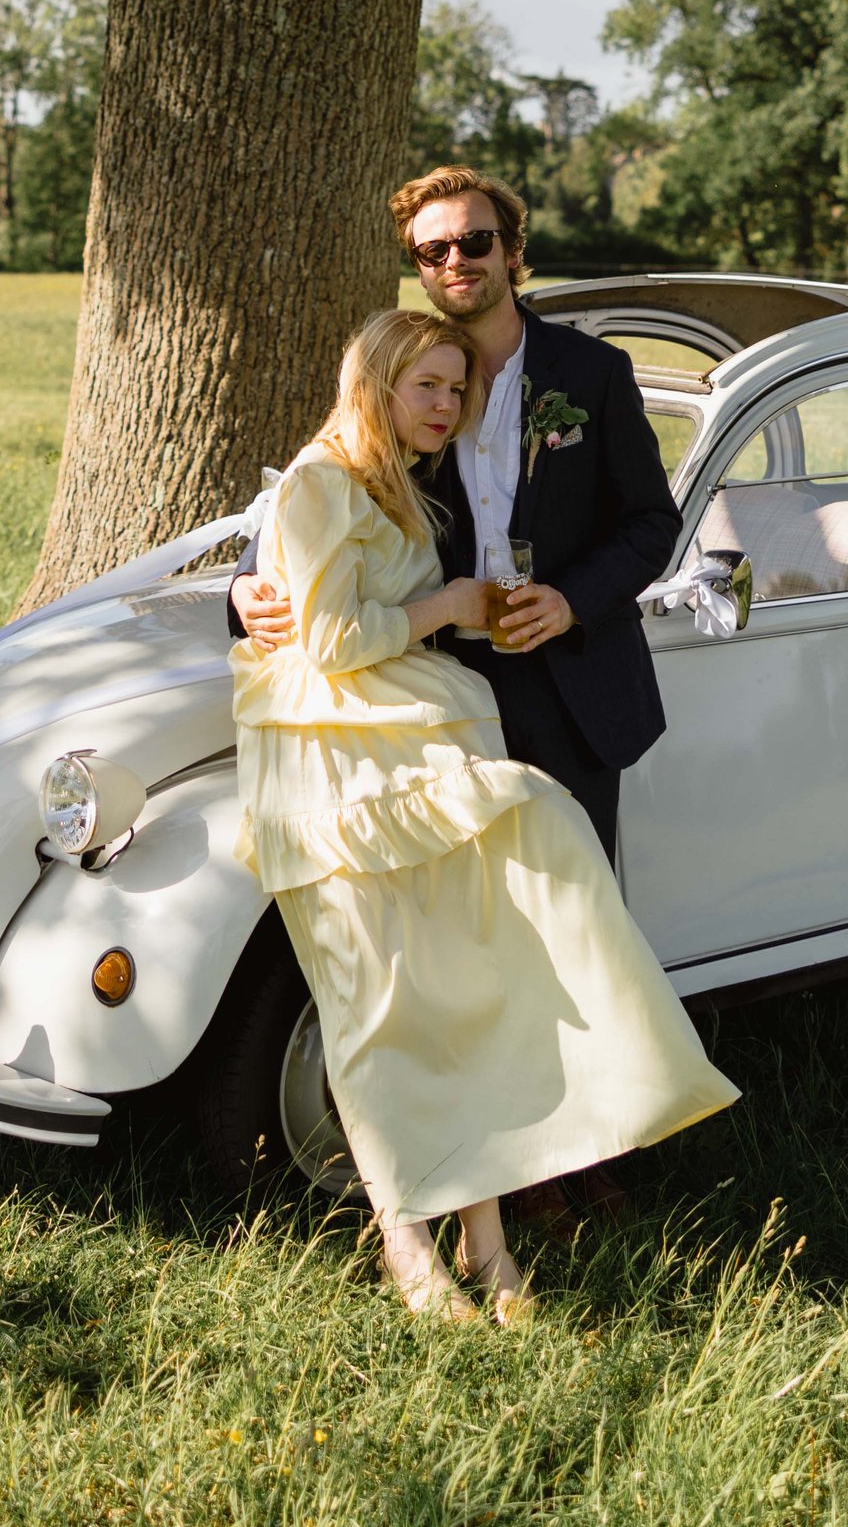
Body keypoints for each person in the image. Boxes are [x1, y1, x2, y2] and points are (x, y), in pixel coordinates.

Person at [231, 306, 736, 1320]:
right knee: (375, 1007)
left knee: (459, 991)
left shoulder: (432, 460)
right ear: (375, 379)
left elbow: (646, 521)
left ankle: (489, 1235)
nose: (447, 405)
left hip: (430, 752)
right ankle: (405, 1243)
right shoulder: (324, 481)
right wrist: (448, 606)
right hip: (345, 776)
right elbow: (322, 628)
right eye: (427, 387)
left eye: (456, 391)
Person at [232, 166, 677, 861]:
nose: (455, 262)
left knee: (576, 892)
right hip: (436, 686)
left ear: (510, 250)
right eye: (432, 251)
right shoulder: (417, 371)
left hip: (570, 681)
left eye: (473, 242)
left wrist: (569, 601)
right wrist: (243, 583)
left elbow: (652, 523)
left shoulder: (594, 373)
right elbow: (331, 469)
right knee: (473, 907)